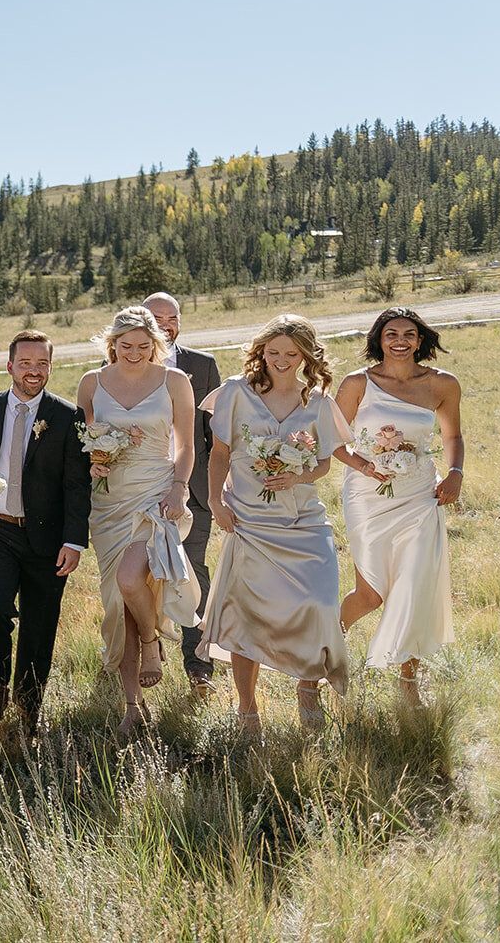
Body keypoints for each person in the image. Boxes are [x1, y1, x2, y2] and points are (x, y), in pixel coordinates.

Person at [200, 315, 350, 736]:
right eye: (273, 352)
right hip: (249, 520)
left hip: (304, 522)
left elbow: (323, 463)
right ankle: (247, 709)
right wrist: (216, 502)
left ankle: (308, 687)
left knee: (320, 607)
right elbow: (220, 454)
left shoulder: (317, 401)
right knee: (245, 618)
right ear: (260, 352)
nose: (281, 360)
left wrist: (298, 476)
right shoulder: (234, 392)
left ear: (305, 355)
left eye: (290, 353)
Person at [76, 307, 199, 737]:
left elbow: (185, 444)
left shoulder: (175, 382)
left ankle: (152, 643)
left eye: (143, 346)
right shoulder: (91, 383)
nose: (134, 353)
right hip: (108, 502)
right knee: (117, 602)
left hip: (155, 494)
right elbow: (86, 443)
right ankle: (133, 705)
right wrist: (94, 461)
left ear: (156, 345)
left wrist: (179, 487)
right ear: (113, 344)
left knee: (132, 580)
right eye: (125, 346)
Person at [333, 307, 463, 708]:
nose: (401, 340)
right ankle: (323, 648)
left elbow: (453, 434)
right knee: (370, 594)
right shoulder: (358, 383)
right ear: (380, 339)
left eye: (409, 333)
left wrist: (455, 472)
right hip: (367, 496)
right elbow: (332, 440)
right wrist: (363, 464)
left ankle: (409, 682)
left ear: (421, 340)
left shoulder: (442, 384)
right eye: (392, 334)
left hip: (420, 495)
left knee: (414, 587)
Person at [0, 331, 92, 737]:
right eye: (26, 363)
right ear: (10, 366)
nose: (34, 371)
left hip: (48, 538)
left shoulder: (66, 415)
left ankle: (29, 705)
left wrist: (74, 541)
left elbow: (77, 484)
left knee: (40, 624)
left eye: (42, 364)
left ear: (50, 368)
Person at [143, 292, 222, 695]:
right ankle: (142, 650)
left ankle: (199, 665)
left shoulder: (202, 366)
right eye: (155, 317)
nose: (164, 325)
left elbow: (216, 435)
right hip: (138, 491)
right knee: (139, 575)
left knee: (193, 569)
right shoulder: (118, 366)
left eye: (171, 318)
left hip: (194, 491)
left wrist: (219, 489)